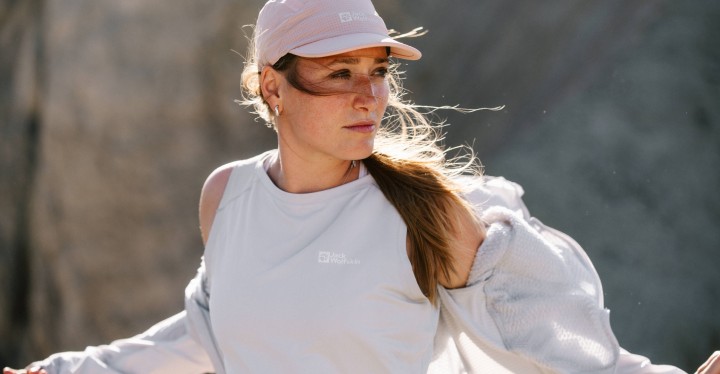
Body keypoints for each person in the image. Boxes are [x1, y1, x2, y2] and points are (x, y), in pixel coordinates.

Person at [5, 0, 718, 373]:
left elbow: (547, 327)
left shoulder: (425, 209)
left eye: (376, 71)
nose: (368, 96)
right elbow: (208, 334)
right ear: (271, 89)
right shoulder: (227, 197)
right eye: (338, 73)